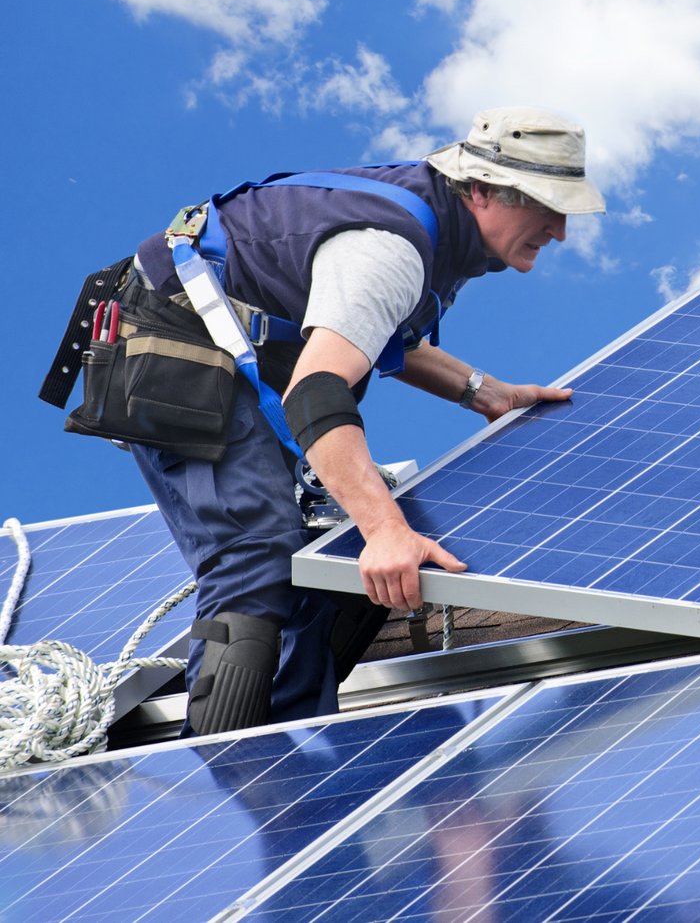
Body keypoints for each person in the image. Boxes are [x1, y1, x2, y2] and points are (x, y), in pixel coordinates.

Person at [51, 107, 604, 735]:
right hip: (172, 343)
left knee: (325, 565)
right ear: (479, 190)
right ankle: (221, 766)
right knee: (258, 552)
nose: (559, 229)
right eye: (544, 205)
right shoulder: (391, 247)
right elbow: (316, 390)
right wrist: (385, 529)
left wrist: (482, 392)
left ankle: (286, 763)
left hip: (233, 350)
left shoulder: (438, 233)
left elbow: (374, 330)